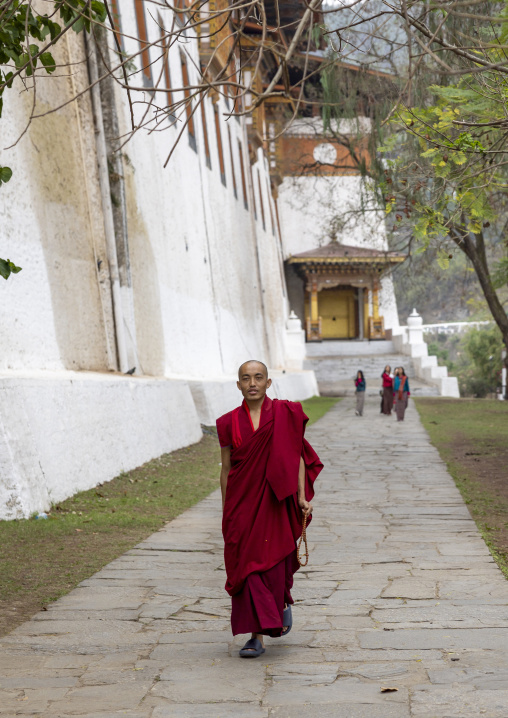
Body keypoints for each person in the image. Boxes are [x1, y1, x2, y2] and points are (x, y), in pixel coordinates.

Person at [216, 360, 323, 659]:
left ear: (268, 383)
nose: (252, 383)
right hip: (242, 505)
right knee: (247, 568)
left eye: (258, 378)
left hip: (276, 502)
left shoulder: (285, 414)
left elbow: (298, 457)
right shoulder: (227, 423)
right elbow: (226, 469)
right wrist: (227, 510)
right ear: (238, 384)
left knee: (273, 566)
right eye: (246, 378)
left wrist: (302, 496)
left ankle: (278, 607)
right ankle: (256, 637)